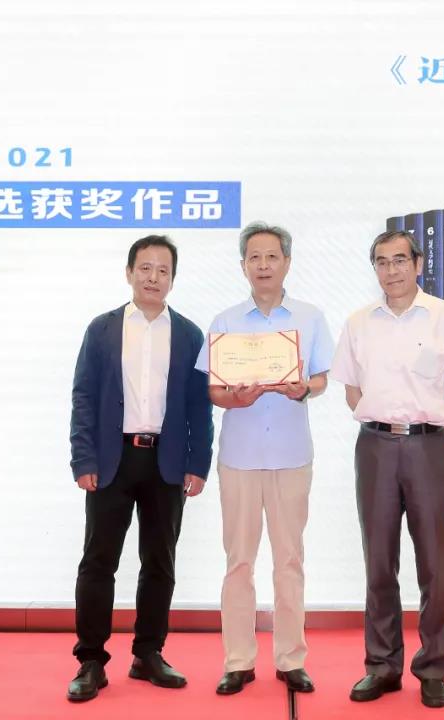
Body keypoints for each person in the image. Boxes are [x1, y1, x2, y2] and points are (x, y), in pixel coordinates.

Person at [330, 229, 444, 709]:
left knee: (435, 563)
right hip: (374, 446)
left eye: (399, 260)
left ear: (418, 263)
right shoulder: (358, 323)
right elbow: (352, 390)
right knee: (378, 561)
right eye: (381, 261)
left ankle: (434, 668)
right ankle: (382, 665)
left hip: (428, 446)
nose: (390, 270)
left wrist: (433, 430)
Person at [66, 234, 213, 702]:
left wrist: (198, 462)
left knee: (160, 562)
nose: (153, 277)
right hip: (111, 460)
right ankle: (91, 660)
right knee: (98, 562)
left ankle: (148, 653)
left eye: (163, 270)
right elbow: (83, 396)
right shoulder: (103, 329)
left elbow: (199, 406)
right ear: (129, 272)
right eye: (145, 268)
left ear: (173, 278)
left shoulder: (189, 334)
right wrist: (83, 458)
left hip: (166, 462)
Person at [195, 222, 334, 696]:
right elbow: (213, 391)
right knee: (239, 562)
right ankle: (238, 661)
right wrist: (234, 397)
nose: (263, 265)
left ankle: (291, 659)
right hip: (240, 456)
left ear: (287, 262)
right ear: (243, 266)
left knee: (289, 560)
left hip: (291, 455)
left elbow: (321, 379)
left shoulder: (310, 318)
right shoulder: (225, 322)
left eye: (272, 256)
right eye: (254, 257)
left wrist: (304, 388)